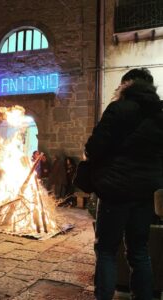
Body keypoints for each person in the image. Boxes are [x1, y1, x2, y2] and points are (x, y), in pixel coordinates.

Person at [85, 68, 163, 300]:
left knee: (107, 250)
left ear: (125, 85)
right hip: (145, 192)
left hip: (115, 190)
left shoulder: (118, 109)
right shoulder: (160, 114)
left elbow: (93, 148)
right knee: (139, 251)